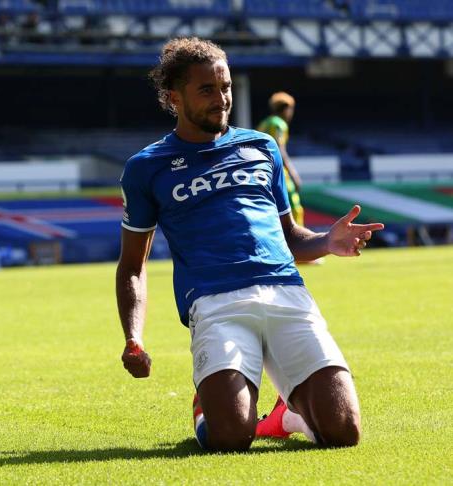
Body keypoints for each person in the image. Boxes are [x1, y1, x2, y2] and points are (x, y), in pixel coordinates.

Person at [116, 38, 384, 452]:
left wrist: (326, 241)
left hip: (287, 293)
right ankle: (208, 404)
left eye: (225, 87)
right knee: (231, 437)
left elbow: (290, 237)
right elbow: (133, 266)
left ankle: (288, 415)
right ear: (174, 97)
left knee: (343, 432)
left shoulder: (261, 146)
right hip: (215, 304)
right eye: (207, 89)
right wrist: (133, 337)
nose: (221, 99)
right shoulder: (146, 167)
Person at [257, 92, 304, 227]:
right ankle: (297, 237)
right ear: (286, 109)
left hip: (263, 172)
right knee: (293, 206)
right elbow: (279, 150)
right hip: (278, 172)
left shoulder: (264, 123)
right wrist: (294, 175)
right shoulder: (278, 124)